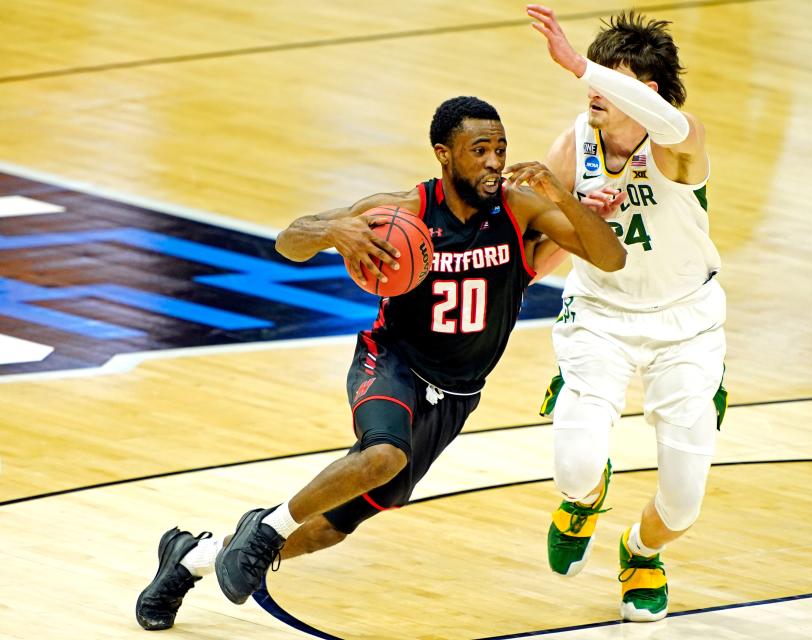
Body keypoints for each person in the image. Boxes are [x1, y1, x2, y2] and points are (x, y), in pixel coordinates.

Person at [134, 95, 625, 631]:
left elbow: (610, 257)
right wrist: (331, 230)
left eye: (500, 149)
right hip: (391, 361)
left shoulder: (519, 207)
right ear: (444, 154)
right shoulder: (405, 210)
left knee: (328, 529)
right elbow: (288, 240)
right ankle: (268, 528)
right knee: (384, 455)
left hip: (458, 393)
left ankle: (189, 558)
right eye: (479, 149)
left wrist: (564, 198)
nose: (493, 161)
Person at [524, 5, 728, 623]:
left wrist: (578, 60)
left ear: (648, 95)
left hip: (687, 324)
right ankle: (583, 505)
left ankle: (641, 551)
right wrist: (584, 218)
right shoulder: (572, 145)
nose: (592, 91)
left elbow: (669, 122)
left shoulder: (680, 142)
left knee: (685, 502)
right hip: (600, 316)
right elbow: (533, 264)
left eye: (608, 82)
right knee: (576, 465)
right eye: (592, 80)